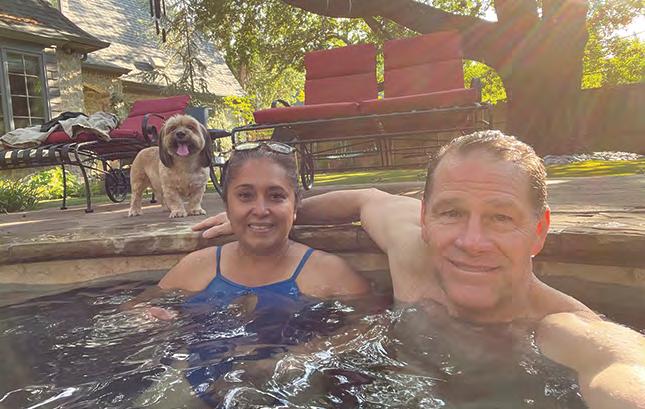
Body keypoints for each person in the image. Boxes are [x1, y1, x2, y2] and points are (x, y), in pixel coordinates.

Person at [193, 130, 645, 409]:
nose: (471, 241)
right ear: (425, 217)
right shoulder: (412, 251)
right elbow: (365, 198)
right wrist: (272, 216)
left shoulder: (561, 328)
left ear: (539, 230)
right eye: (452, 213)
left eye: (500, 217)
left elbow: (624, 366)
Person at [128, 141, 369, 317]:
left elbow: (368, 327)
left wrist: (309, 354)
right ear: (227, 206)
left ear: (295, 207)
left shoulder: (331, 274)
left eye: (276, 196)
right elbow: (132, 310)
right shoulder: (196, 267)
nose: (261, 210)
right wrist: (148, 319)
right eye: (245, 196)